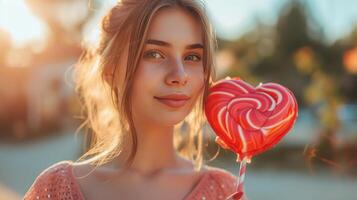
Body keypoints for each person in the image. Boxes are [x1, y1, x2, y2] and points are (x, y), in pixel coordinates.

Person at [24, 0, 244, 199]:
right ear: (110, 70)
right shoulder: (55, 187)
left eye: (192, 57)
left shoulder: (225, 191)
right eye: (154, 53)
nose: (179, 75)